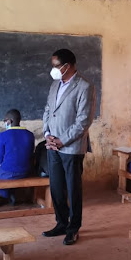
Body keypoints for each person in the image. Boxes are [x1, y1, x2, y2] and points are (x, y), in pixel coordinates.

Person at [41, 49, 96, 246]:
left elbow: (83, 121)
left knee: (73, 189)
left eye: (56, 65)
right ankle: (61, 223)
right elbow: (48, 110)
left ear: (68, 65)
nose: (53, 69)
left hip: (71, 148)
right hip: (52, 145)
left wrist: (63, 140)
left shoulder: (85, 87)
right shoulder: (55, 84)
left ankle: (73, 228)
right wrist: (47, 135)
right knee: (56, 188)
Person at [0, 109, 35, 204]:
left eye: (5, 121)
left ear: (9, 121)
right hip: (26, 171)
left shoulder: (3, 135)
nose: (5, 123)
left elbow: (0, 159)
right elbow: (31, 154)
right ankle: (12, 195)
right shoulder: (30, 135)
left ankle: (4, 196)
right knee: (10, 171)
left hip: (8, 172)